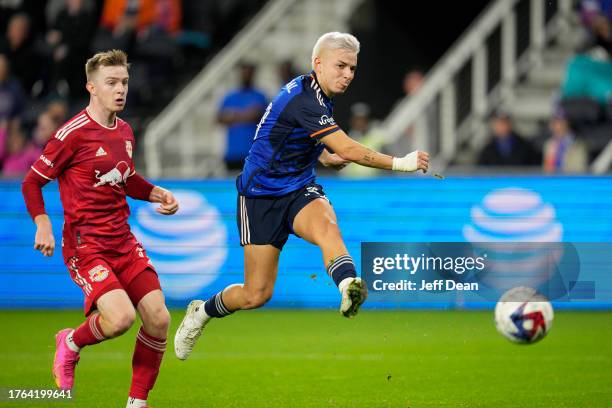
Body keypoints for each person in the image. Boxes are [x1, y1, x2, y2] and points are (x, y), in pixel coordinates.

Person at [174, 32, 429, 360]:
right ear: (318, 64)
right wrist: (401, 163)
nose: (348, 74)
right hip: (260, 197)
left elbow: (286, 133)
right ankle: (202, 313)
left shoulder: (315, 92)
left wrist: (322, 155)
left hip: (298, 188)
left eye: (352, 68)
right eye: (341, 66)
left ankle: (348, 286)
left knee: (327, 227)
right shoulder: (304, 98)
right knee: (256, 294)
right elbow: (348, 148)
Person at [21, 50, 179, 408]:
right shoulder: (70, 135)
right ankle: (71, 342)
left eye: (123, 82)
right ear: (91, 86)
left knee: (158, 319)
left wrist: (155, 193)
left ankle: (136, 403)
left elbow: (123, 177)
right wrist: (42, 222)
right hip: (86, 246)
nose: (120, 89)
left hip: (122, 241)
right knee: (121, 318)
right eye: (111, 83)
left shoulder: (124, 130)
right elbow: (31, 182)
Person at [217, 62, 267, 170]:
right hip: (233, 153)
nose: (246, 76)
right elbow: (219, 118)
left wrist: (233, 115)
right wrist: (246, 115)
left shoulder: (260, 96)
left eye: (249, 73)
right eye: (244, 73)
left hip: (254, 153)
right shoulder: (230, 97)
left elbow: (261, 117)